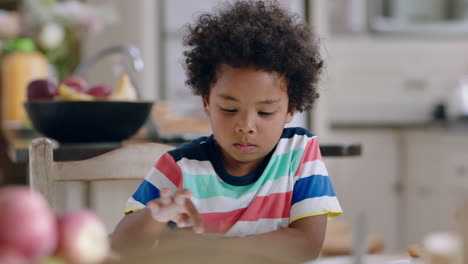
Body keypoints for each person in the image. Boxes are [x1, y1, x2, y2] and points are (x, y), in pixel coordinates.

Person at [111, 0, 342, 261]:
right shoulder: (180, 167)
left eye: (265, 112)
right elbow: (119, 246)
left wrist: (214, 249)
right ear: (206, 102)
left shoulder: (299, 155)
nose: (245, 125)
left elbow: (306, 245)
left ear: (291, 109)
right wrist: (154, 214)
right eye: (229, 109)